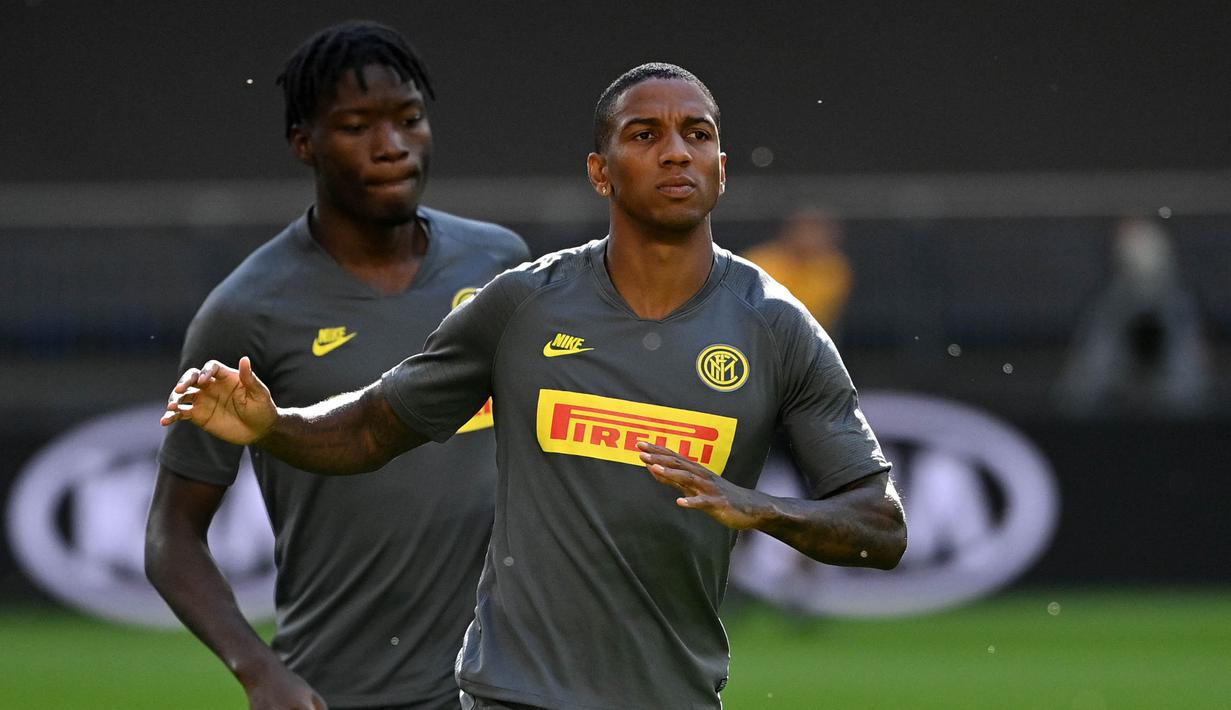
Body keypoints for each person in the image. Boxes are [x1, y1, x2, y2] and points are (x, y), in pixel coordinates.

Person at [162, 62, 906, 709]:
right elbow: (370, 428)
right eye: (644, 135)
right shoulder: (522, 304)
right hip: (512, 696)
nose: (676, 151)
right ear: (600, 171)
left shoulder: (777, 326)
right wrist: (272, 426)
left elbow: (880, 527)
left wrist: (763, 508)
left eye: (697, 134)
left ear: (721, 164)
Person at [145, 21, 529, 710]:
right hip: (341, 689)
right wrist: (258, 671)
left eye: (409, 119)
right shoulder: (247, 310)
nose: (392, 146)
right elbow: (172, 534)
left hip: (506, 682)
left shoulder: (499, 264)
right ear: (304, 144)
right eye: (356, 126)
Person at [742, 207, 853, 335]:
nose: (812, 237)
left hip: (805, 337)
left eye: (819, 232)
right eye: (806, 230)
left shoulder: (833, 268)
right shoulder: (759, 260)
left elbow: (814, 311)